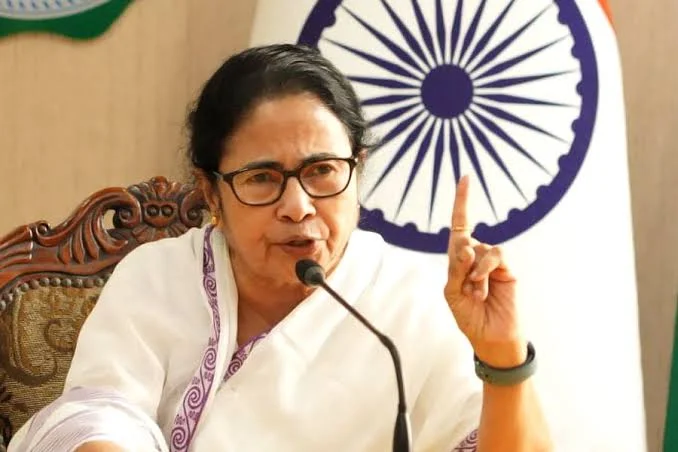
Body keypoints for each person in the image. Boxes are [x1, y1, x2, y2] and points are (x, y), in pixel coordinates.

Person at [8, 44, 551, 452]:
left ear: (357, 169)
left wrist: (502, 354)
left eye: (322, 171)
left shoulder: (409, 301)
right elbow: (101, 412)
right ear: (211, 193)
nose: (298, 206)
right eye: (262, 178)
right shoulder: (159, 276)